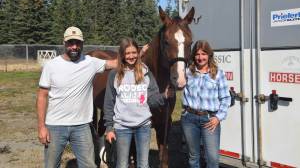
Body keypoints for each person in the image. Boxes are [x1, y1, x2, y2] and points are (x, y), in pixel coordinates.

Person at [36, 26, 117, 168]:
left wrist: (141, 53)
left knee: (89, 165)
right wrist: (42, 126)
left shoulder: (90, 62)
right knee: (51, 165)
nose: (74, 46)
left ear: (82, 44)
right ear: (64, 43)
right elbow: (42, 97)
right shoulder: (51, 66)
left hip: (82, 126)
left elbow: (117, 63)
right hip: (55, 126)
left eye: (78, 43)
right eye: (71, 42)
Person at [103, 37, 173, 168]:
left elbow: (152, 100)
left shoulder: (146, 73)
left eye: (134, 52)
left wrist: (164, 96)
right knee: (122, 164)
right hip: (122, 127)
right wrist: (109, 127)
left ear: (138, 52)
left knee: (143, 164)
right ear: (122, 55)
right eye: (127, 53)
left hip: (143, 127)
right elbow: (109, 103)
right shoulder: (114, 74)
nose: (131, 56)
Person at [181, 40, 231, 168]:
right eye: (197, 54)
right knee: (193, 157)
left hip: (209, 120)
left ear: (209, 55)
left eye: (203, 54)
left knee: (212, 159)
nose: (200, 57)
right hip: (189, 119)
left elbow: (226, 98)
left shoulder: (218, 73)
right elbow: (175, 84)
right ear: (193, 56)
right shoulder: (187, 72)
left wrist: (218, 117)